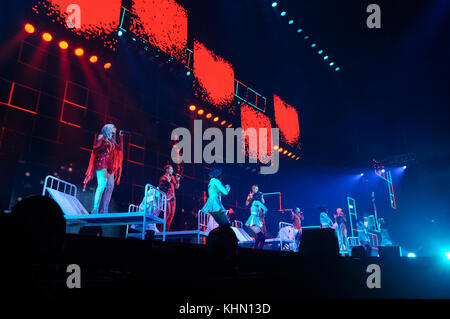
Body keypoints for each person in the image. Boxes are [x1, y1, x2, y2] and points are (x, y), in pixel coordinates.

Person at [83, 124, 123, 214]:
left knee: (110, 186)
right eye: (113, 128)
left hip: (109, 163)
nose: (115, 129)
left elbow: (120, 149)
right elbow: (95, 149)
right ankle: (95, 209)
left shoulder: (111, 140)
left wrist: (120, 137)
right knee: (102, 185)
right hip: (101, 162)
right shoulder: (102, 137)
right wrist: (103, 146)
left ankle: (104, 209)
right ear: (108, 129)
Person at [158, 164, 181, 231]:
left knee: (171, 215)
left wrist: (178, 180)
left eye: (172, 169)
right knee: (167, 213)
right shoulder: (163, 178)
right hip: (167, 198)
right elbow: (162, 187)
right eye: (171, 169)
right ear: (167, 170)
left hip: (173, 198)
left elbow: (177, 187)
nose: (172, 171)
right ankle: (162, 231)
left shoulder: (173, 178)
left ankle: (166, 231)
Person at [245, 185, 268, 249]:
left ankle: (257, 247)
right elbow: (246, 204)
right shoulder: (251, 196)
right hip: (254, 215)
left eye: (257, 189)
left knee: (261, 232)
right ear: (253, 189)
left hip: (259, 214)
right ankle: (258, 247)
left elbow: (263, 203)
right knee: (259, 234)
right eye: (255, 189)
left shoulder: (259, 196)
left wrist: (262, 197)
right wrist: (249, 198)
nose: (257, 190)